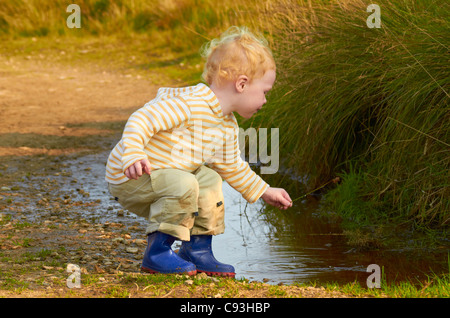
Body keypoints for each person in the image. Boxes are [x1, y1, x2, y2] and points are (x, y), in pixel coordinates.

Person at [106, 26, 292, 277]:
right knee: (185, 182)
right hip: (131, 175)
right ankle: (158, 252)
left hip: (164, 177)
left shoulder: (226, 124)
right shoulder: (191, 104)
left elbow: (233, 166)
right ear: (242, 84)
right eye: (265, 92)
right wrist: (133, 153)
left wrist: (264, 190)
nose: (265, 100)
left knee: (208, 178)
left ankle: (197, 251)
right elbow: (143, 119)